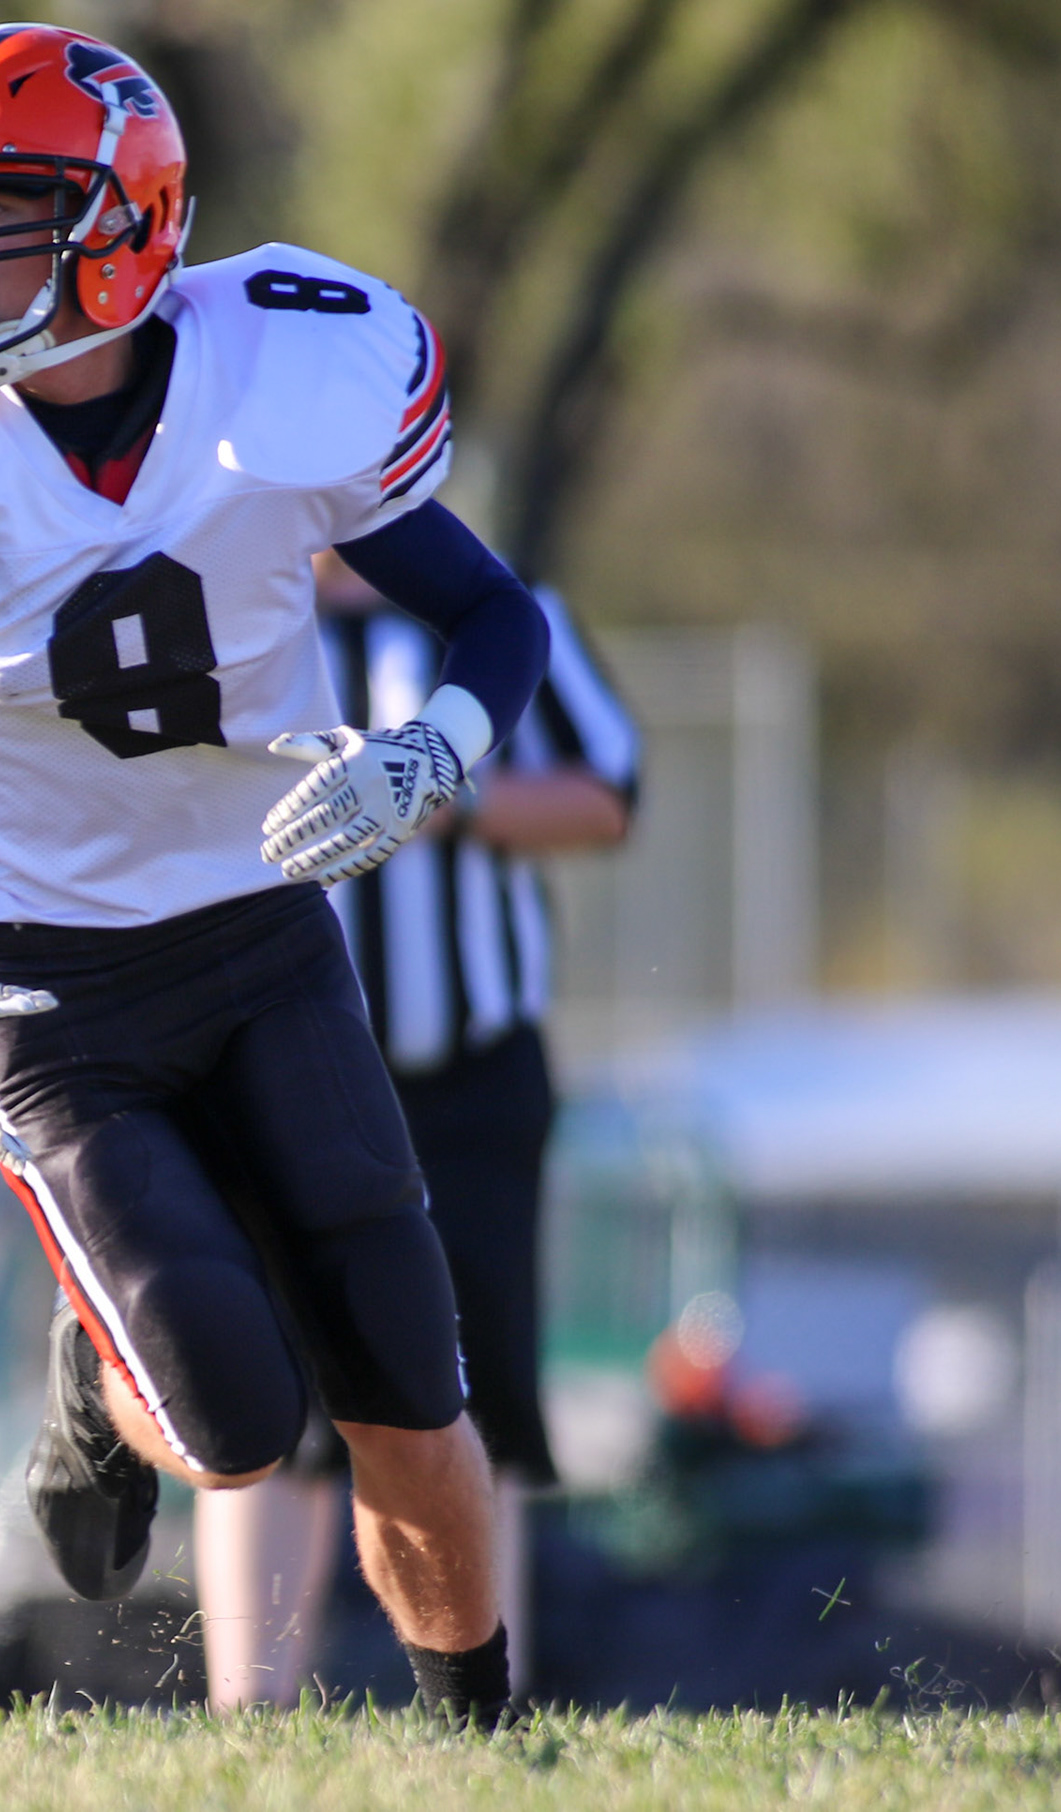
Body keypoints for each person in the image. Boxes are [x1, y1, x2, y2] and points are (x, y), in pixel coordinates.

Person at [0, 22, 550, 1722]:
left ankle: (486, 1741)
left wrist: (433, 752)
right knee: (235, 1424)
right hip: (43, 966)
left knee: (407, 1380)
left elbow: (495, 614)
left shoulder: (280, 379)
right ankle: (103, 1370)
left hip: (265, 926)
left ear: (125, 225)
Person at [196, 563, 641, 1709]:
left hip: (466, 1076)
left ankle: (486, 1707)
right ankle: (250, 1716)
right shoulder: (223, 600)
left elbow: (609, 794)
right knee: (264, 1401)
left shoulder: (498, 616)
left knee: (472, 1388)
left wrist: (442, 798)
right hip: (271, 1065)